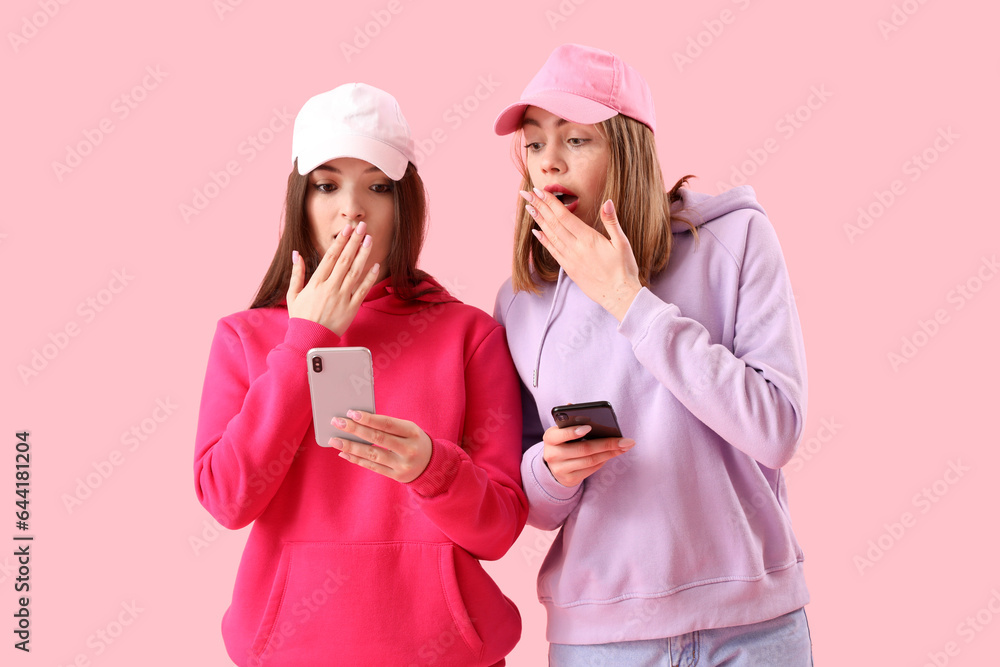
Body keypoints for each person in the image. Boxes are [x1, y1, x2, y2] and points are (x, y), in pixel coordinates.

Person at [492, 44, 814, 665]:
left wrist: (627, 301)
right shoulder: (521, 302)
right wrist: (552, 472)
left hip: (753, 629)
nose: (550, 162)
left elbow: (775, 430)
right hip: (602, 641)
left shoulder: (737, 239)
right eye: (534, 145)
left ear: (628, 149)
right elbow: (524, 498)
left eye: (577, 139)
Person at [194, 83, 527, 667]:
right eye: (327, 185)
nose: (351, 208)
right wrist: (305, 343)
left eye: (377, 186)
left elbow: (498, 530)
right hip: (290, 653)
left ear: (406, 203)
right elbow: (227, 499)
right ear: (300, 200)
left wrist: (433, 467)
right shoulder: (245, 337)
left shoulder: (469, 335)